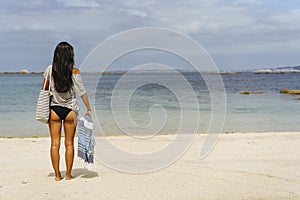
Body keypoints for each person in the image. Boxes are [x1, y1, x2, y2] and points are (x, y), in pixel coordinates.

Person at [42, 42, 91, 181]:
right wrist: (89, 108)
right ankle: (68, 175)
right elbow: (82, 92)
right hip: (70, 110)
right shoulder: (74, 71)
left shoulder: (50, 69)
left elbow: (44, 90)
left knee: (54, 144)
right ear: (70, 55)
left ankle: (57, 176)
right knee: (69, 143)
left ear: (56, 55)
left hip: (54, 111)